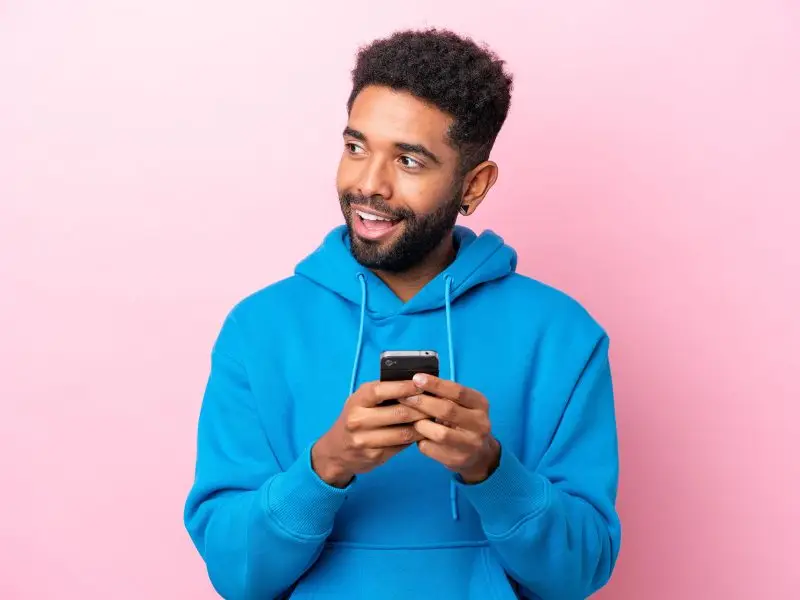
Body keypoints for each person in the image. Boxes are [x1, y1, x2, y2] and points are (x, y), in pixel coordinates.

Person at [184, 27, 621, 600]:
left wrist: (491, 471)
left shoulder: (563, 335)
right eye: (356, 147)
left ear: (475, 185)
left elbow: (578, 575)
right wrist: (325, 466)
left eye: (409, 160)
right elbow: (236, 575)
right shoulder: (257, 330)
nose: (368, 184)